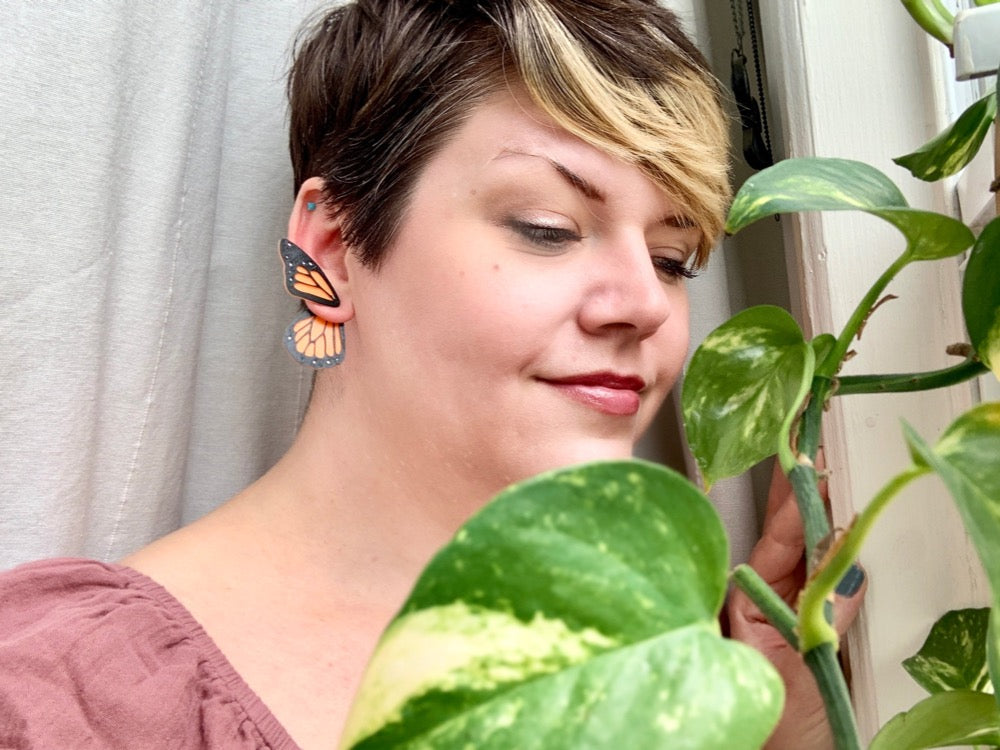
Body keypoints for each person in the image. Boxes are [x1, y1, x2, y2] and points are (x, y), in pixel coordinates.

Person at [0, 1, 863, 748]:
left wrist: (782, 734)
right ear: (332, 250)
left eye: (675, 259)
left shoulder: (688, 665)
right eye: (548, 227)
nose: (644, 304)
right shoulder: (56, 698)